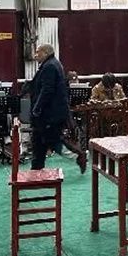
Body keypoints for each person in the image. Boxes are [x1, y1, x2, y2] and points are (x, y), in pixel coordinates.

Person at [29, 44, 86, 173]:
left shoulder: (49, 67)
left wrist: (37, 108)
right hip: (49, 113)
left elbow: (47, 90)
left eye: (38, 52)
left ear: (45, 53)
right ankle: (36, 169)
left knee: (52, 140)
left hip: (49, 114)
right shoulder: (53, 64)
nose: (35, 55)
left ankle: (78, 155)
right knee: (39, 141)